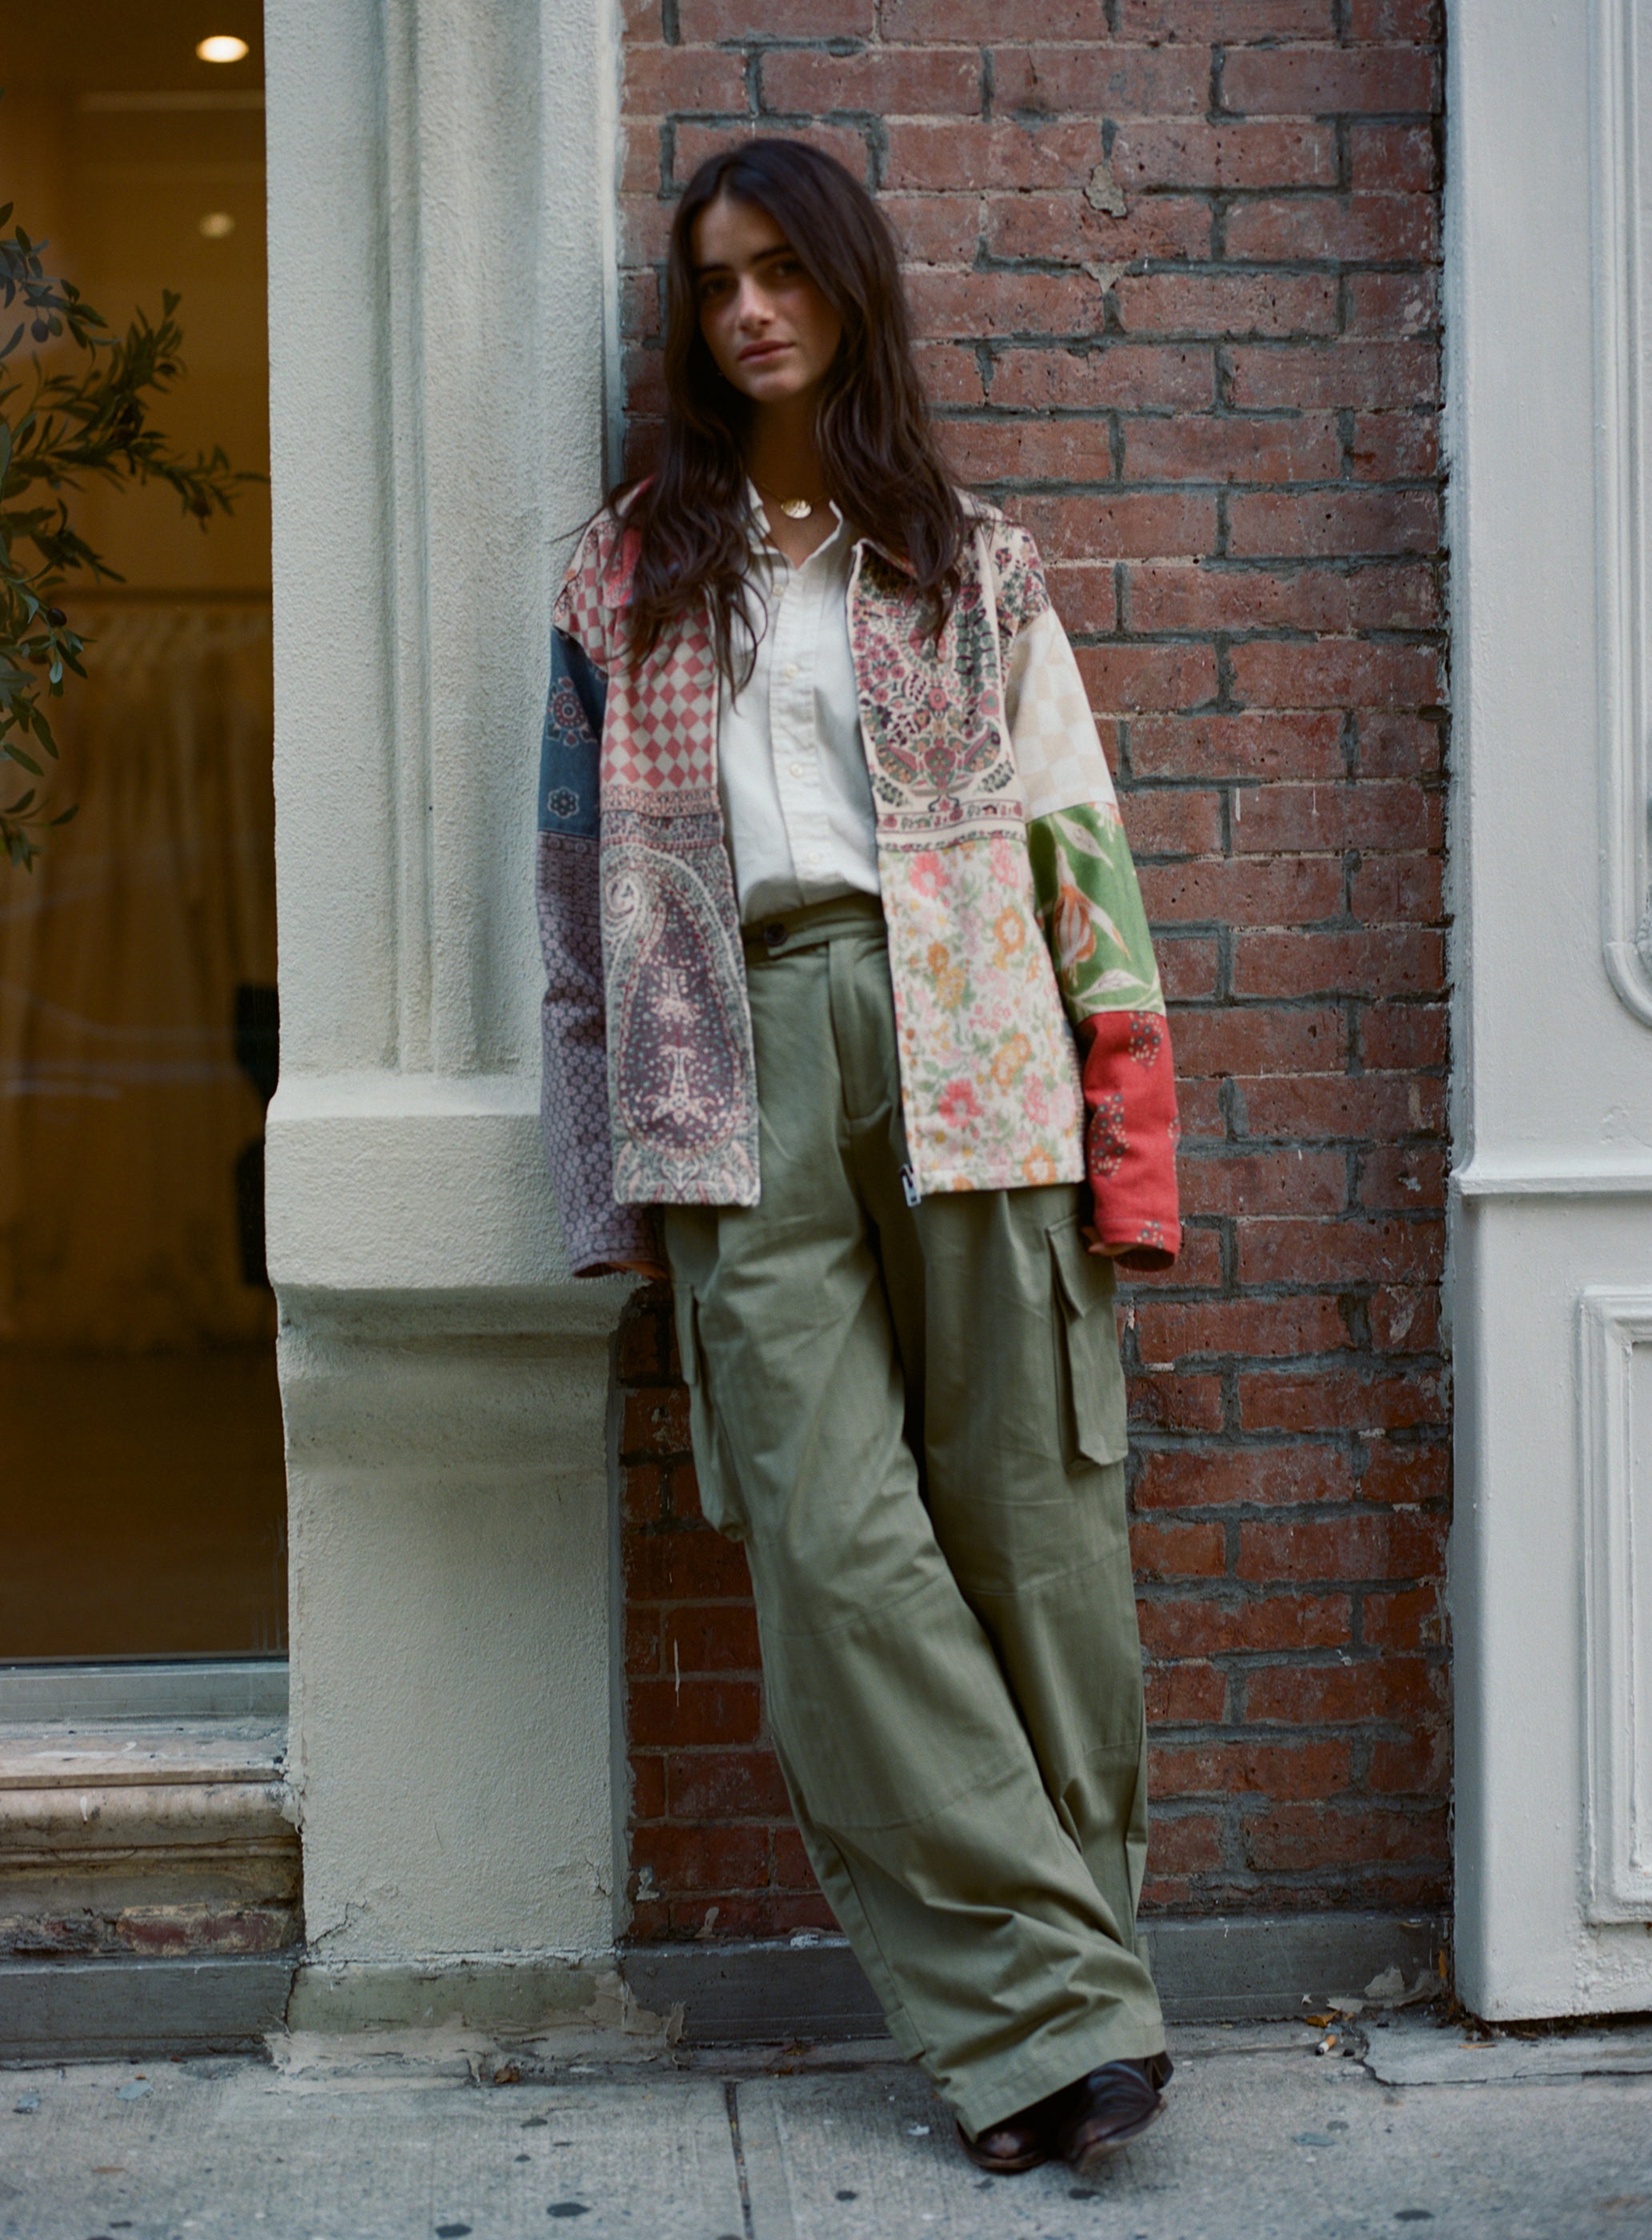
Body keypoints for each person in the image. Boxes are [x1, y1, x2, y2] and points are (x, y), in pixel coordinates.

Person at [536, 137, 1182, 2179]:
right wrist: (599, 1176)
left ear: (844, 291)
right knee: (835, 1552)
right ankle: (1060, 2019)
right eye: (716, 281)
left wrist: (1133, 1143)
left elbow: (1082, 846)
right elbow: (571, 901)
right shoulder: (620, 576)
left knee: (1033, 1532)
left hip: (977, 1044)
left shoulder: (968, 558)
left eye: (784, 272)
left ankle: (1052, 2047)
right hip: (734, 1066)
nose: (750, 310)